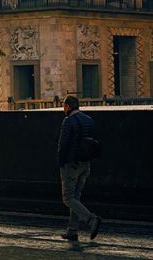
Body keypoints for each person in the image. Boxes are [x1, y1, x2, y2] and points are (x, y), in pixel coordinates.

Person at [58, 95, 102, 241]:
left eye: (64, 105)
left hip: (71, 164)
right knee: (76, 197)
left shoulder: (68, 121)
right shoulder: (88, 120)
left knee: (68, 198)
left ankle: (91, 219)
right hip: (85, 164)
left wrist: (61, 162)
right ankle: (72, 230)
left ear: (68, 107)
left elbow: (63, 144)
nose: (63, 108)